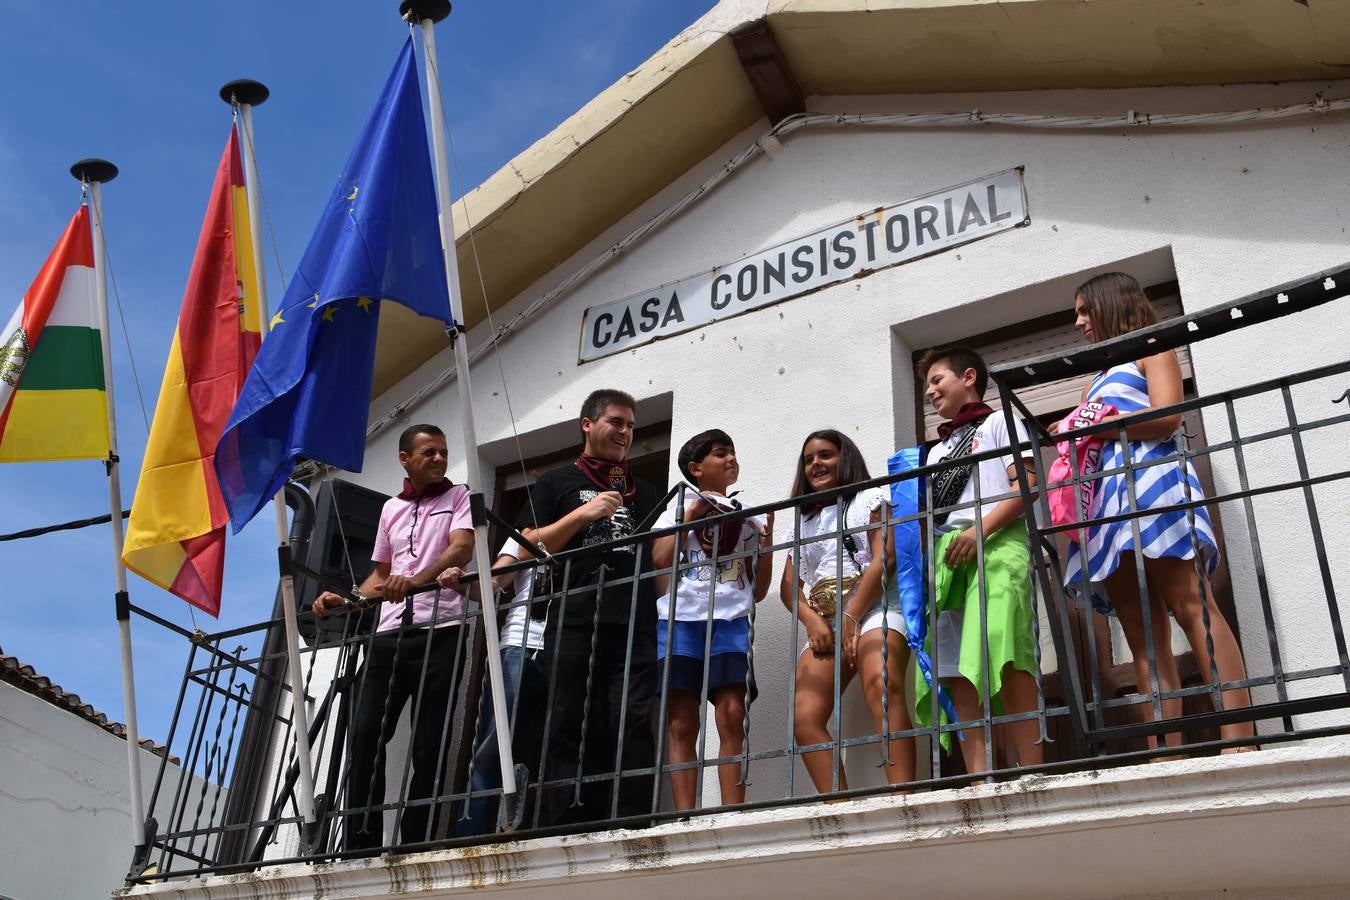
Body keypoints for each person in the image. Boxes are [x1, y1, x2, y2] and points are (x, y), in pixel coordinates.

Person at [1063, 271, 1254, 749]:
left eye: (1086, 310)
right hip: (1106, 500)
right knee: (1141, 631)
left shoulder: (1152, 347)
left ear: (1112, 302)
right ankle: (1163, 751)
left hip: (1155, 484)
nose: (1079, 322)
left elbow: (1167, 417)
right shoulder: (1094, 382)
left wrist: (1093, 426)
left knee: (1193, 606)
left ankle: (1240, 736)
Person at [312, 423, 474, 849]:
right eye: (429, 452)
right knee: (365, 732)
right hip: (388, 634)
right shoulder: (390, 509)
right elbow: (381, 576)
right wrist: (348, 599)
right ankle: (361, 843)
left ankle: (414, 842)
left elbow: (461, 549)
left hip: (442, 630)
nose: (439, 459)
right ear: (405, 459)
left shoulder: (458, 496)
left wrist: (415, 582)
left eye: (443, 452)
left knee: (430, 741)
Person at [518, 389, 664, 824]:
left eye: (631, 426)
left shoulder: (646, 491)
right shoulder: (556, 481)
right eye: (616, 422)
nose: (625, 432)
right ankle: (565, 820)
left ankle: (631, 819)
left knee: (632, 717)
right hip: (575, 616)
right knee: (569, 715)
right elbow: (528, 544)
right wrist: (585, 514)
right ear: (587, 423)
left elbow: (657, 559)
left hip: (635, 620)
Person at [916, 346, 1042, 776]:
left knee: (1006, 652)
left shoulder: (999, 422)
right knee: (955, 669)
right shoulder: (936, 452)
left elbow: (1027, 485)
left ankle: (1034, 773)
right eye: (927, 385)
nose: (930, 392)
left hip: (997, 544)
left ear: (968, 377)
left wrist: (979, 531)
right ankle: (979, 780)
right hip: (949, 558)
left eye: (937, 380)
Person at [781, 430, 913, 795]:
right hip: (827, 621)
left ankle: (905, 801)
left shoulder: (870, 498)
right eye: (809, 459)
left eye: (825, 455)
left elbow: (885, 556)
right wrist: (812, 621)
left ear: (846, 458)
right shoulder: (802, 522)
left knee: (881, 685)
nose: (816, 464)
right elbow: (789, 587)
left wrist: (851, 616)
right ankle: (840, 809)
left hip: (876, 608)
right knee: (805, 716)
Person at [650, 429, 773, 810]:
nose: (731, 459)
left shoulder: (746, 512)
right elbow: (659, 559)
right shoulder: (676, 508)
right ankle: (686, 816)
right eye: (721, 453)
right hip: (680, 620)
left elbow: (759, 589)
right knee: (682, 719)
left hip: (731, 619)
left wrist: (767, 543)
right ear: (696, 468)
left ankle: (731, 812)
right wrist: (690, 516)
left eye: (733, 452)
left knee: (733, 713)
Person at [440, 539, 546, 835]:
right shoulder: (528, 533)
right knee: (494, 747)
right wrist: (460, 582)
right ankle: (471, 840)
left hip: (572, 645)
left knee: (551, 749)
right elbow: (494, 582)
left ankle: (535, 838)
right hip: (521, 643)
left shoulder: (598, 527)